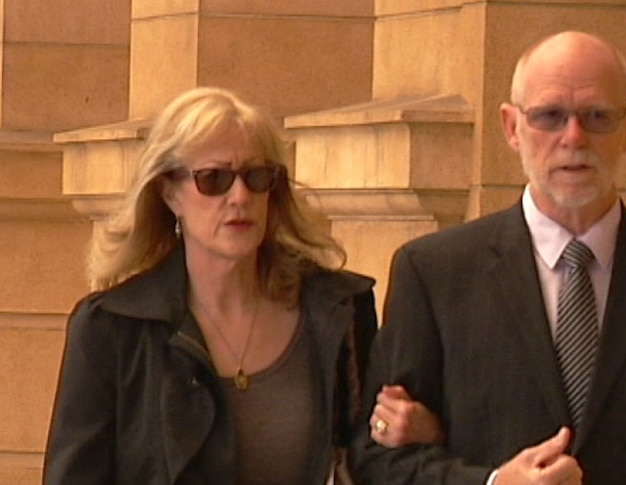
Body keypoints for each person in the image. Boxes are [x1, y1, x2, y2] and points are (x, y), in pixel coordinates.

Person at [350, 31, 626, 484]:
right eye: (550, 116)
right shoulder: (434, 272)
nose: (573, 136)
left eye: (597, 116)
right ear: (512, 128)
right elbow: (378, 462)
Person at [43, 87, 382, 484]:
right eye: (213, 179)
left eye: (257, 177)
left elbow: (375, 457)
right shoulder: (114, 329)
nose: (239, 197)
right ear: (170, 192)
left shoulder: (338, 312)